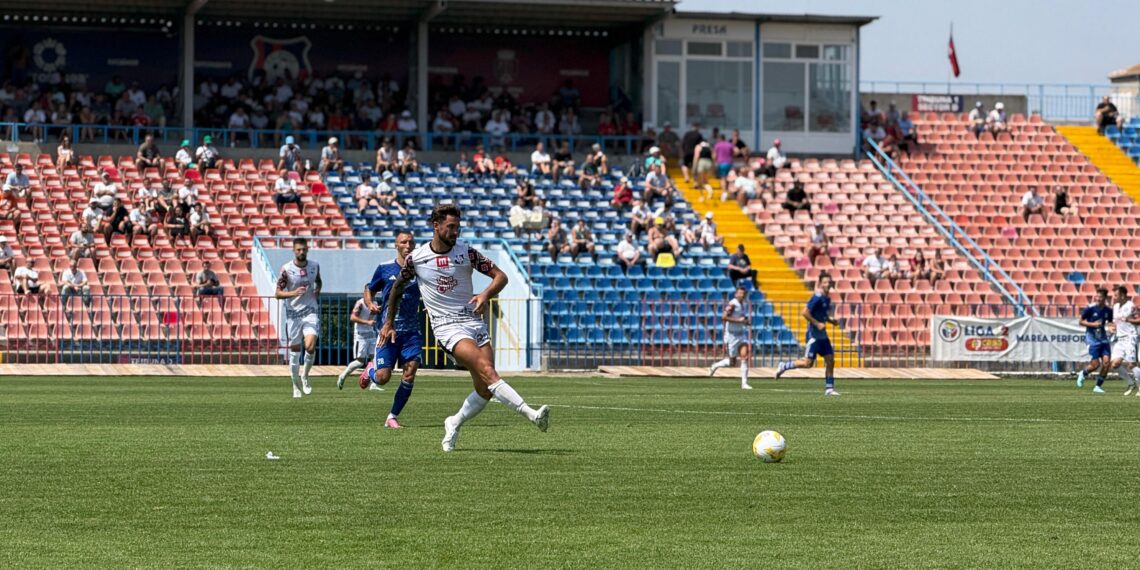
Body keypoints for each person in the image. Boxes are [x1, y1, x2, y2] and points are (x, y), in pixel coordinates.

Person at [379, 204, 550, 452]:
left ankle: (454, 422)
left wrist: (485, 294)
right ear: (436, 226)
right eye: (450, 227)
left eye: (458, 227)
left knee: (485, 389)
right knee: (488, 371)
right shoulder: (417, 259)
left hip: (473, 322)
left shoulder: (467, 253)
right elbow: (396, 289)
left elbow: (501, 276)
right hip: (447, 328)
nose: (455, 232)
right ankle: (532, 415)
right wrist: (388, 322)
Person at [358, 231, 424, 427]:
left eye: (411, 242)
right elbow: (369, 288)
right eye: (403, 242)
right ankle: (371, 370)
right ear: (396, 245)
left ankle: (392, 416)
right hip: (388, 330)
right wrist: (370, 303)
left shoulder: (421, 269)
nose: (408, 245)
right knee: (382, 378)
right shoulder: (385, 268)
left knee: (410, 372)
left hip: (411, 331)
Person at [775, 272, 841, 396]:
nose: (827, 284)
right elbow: (805, 312)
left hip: (823, 336)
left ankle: (829, 389)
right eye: (825, 282)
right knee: (807, 363)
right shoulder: (816, 297)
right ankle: (784, 366)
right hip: (814, 336)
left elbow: (823, 315)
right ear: (821, 284)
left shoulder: (827, 299)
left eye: (829, 282)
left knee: (830, 360)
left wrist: (831, 321)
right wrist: (817, 324)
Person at [275, 237, 322, 398]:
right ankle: (295, 384)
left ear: (307, 249)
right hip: (293, 315)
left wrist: (318, 290)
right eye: (298, 250)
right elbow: (277, 293)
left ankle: (305, 376)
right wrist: (293, 293)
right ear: (294, 251)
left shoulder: (314, 266)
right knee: (295, 351)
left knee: (310, 346)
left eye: (303, 249)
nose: (301, 252)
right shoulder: (286, 269)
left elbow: (318, 281)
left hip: (310, 312)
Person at [707, 287, 753, 390]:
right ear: (736, 294)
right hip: (731, 336)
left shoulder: (743, 304)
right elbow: (723, 317)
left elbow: (741, 318)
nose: (742, 295)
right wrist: (738, 320)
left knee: (745, 357)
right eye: (740, 293)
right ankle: (715, 365)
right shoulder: (732, 304)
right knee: (732, 362)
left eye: (743, 293)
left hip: (741, 334)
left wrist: (745, 322)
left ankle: (744, 384)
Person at [337, 296, 380, 392]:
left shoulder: (375, 303)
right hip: (361, 335)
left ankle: (374, 384)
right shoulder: (360, 303)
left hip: (371, 334)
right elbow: (352, 317)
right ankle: (342, 376)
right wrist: (367, 322)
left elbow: (372, 316)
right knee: (360, 362)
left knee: (375, 359)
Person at [1076, 287, 1113, 394]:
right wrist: (1093, 324)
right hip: (1092, 340)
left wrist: (1111, 327)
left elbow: (1110, 322)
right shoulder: (1090, 309)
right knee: (1095, 365)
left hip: (1103, 339)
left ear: (1105, 298)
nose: (1098, 298)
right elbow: (1080, 322)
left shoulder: (1108, 310)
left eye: (1100, 297)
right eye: (1097, 296)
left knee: (1106, 363)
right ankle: (1083, 373)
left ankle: (1097, 386)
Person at [1107, 285, 1140, 395]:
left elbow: (1139, 320)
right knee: (1114, 364)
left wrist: (1128, 320)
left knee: (1131, 365)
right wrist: (1111, 327)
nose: (1114, 297)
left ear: (1122, 295)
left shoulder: (1131, 306)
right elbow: (1113, 322)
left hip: (1130, 337)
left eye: (1116, 295)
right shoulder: (1116, 306)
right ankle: (1131, 383)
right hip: (1120, 339)